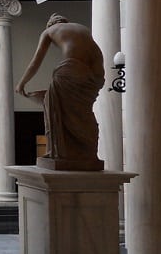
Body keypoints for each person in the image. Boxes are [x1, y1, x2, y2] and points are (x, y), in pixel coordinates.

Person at [15, 13, 104, 167]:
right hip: (96, 72)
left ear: (50, 24)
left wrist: (21, 84)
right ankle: (87, 151)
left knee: (53, 105)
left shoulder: (49, 31)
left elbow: (35, 63)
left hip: (73, 68)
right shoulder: (81, 28)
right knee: (82, 112)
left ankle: (58, 151)